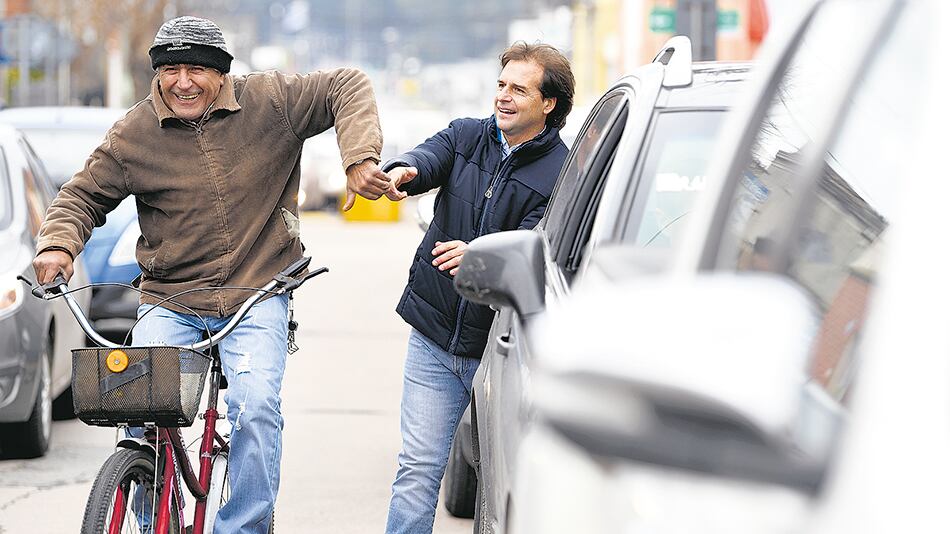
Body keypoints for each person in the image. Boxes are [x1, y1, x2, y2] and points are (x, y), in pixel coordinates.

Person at [31, 16, 395, 534]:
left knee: (255, 407)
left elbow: (347, 83)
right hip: (170, 296)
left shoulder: (270, 102)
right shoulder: (134, 134)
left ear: (221, 73)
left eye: (197, 69)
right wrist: (57, 245)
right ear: (156, 75)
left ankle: (241, 527)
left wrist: (359, 157)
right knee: (137, 410)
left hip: (257, 290)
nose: (184, 82)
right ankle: (149, 511)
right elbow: (81, 196)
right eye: (171, 70)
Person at [381, 41, 575, 534]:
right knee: (417, 471)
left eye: (519, 89)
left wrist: (480, 255)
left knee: (501, 483)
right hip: (434, 336)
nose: (504, 97)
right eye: (501, 85)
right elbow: (429, 157)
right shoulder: (466, 136)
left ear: (547, 103)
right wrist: (404, 170)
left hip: (501, 347)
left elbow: (536, 239)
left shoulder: (562, 173)